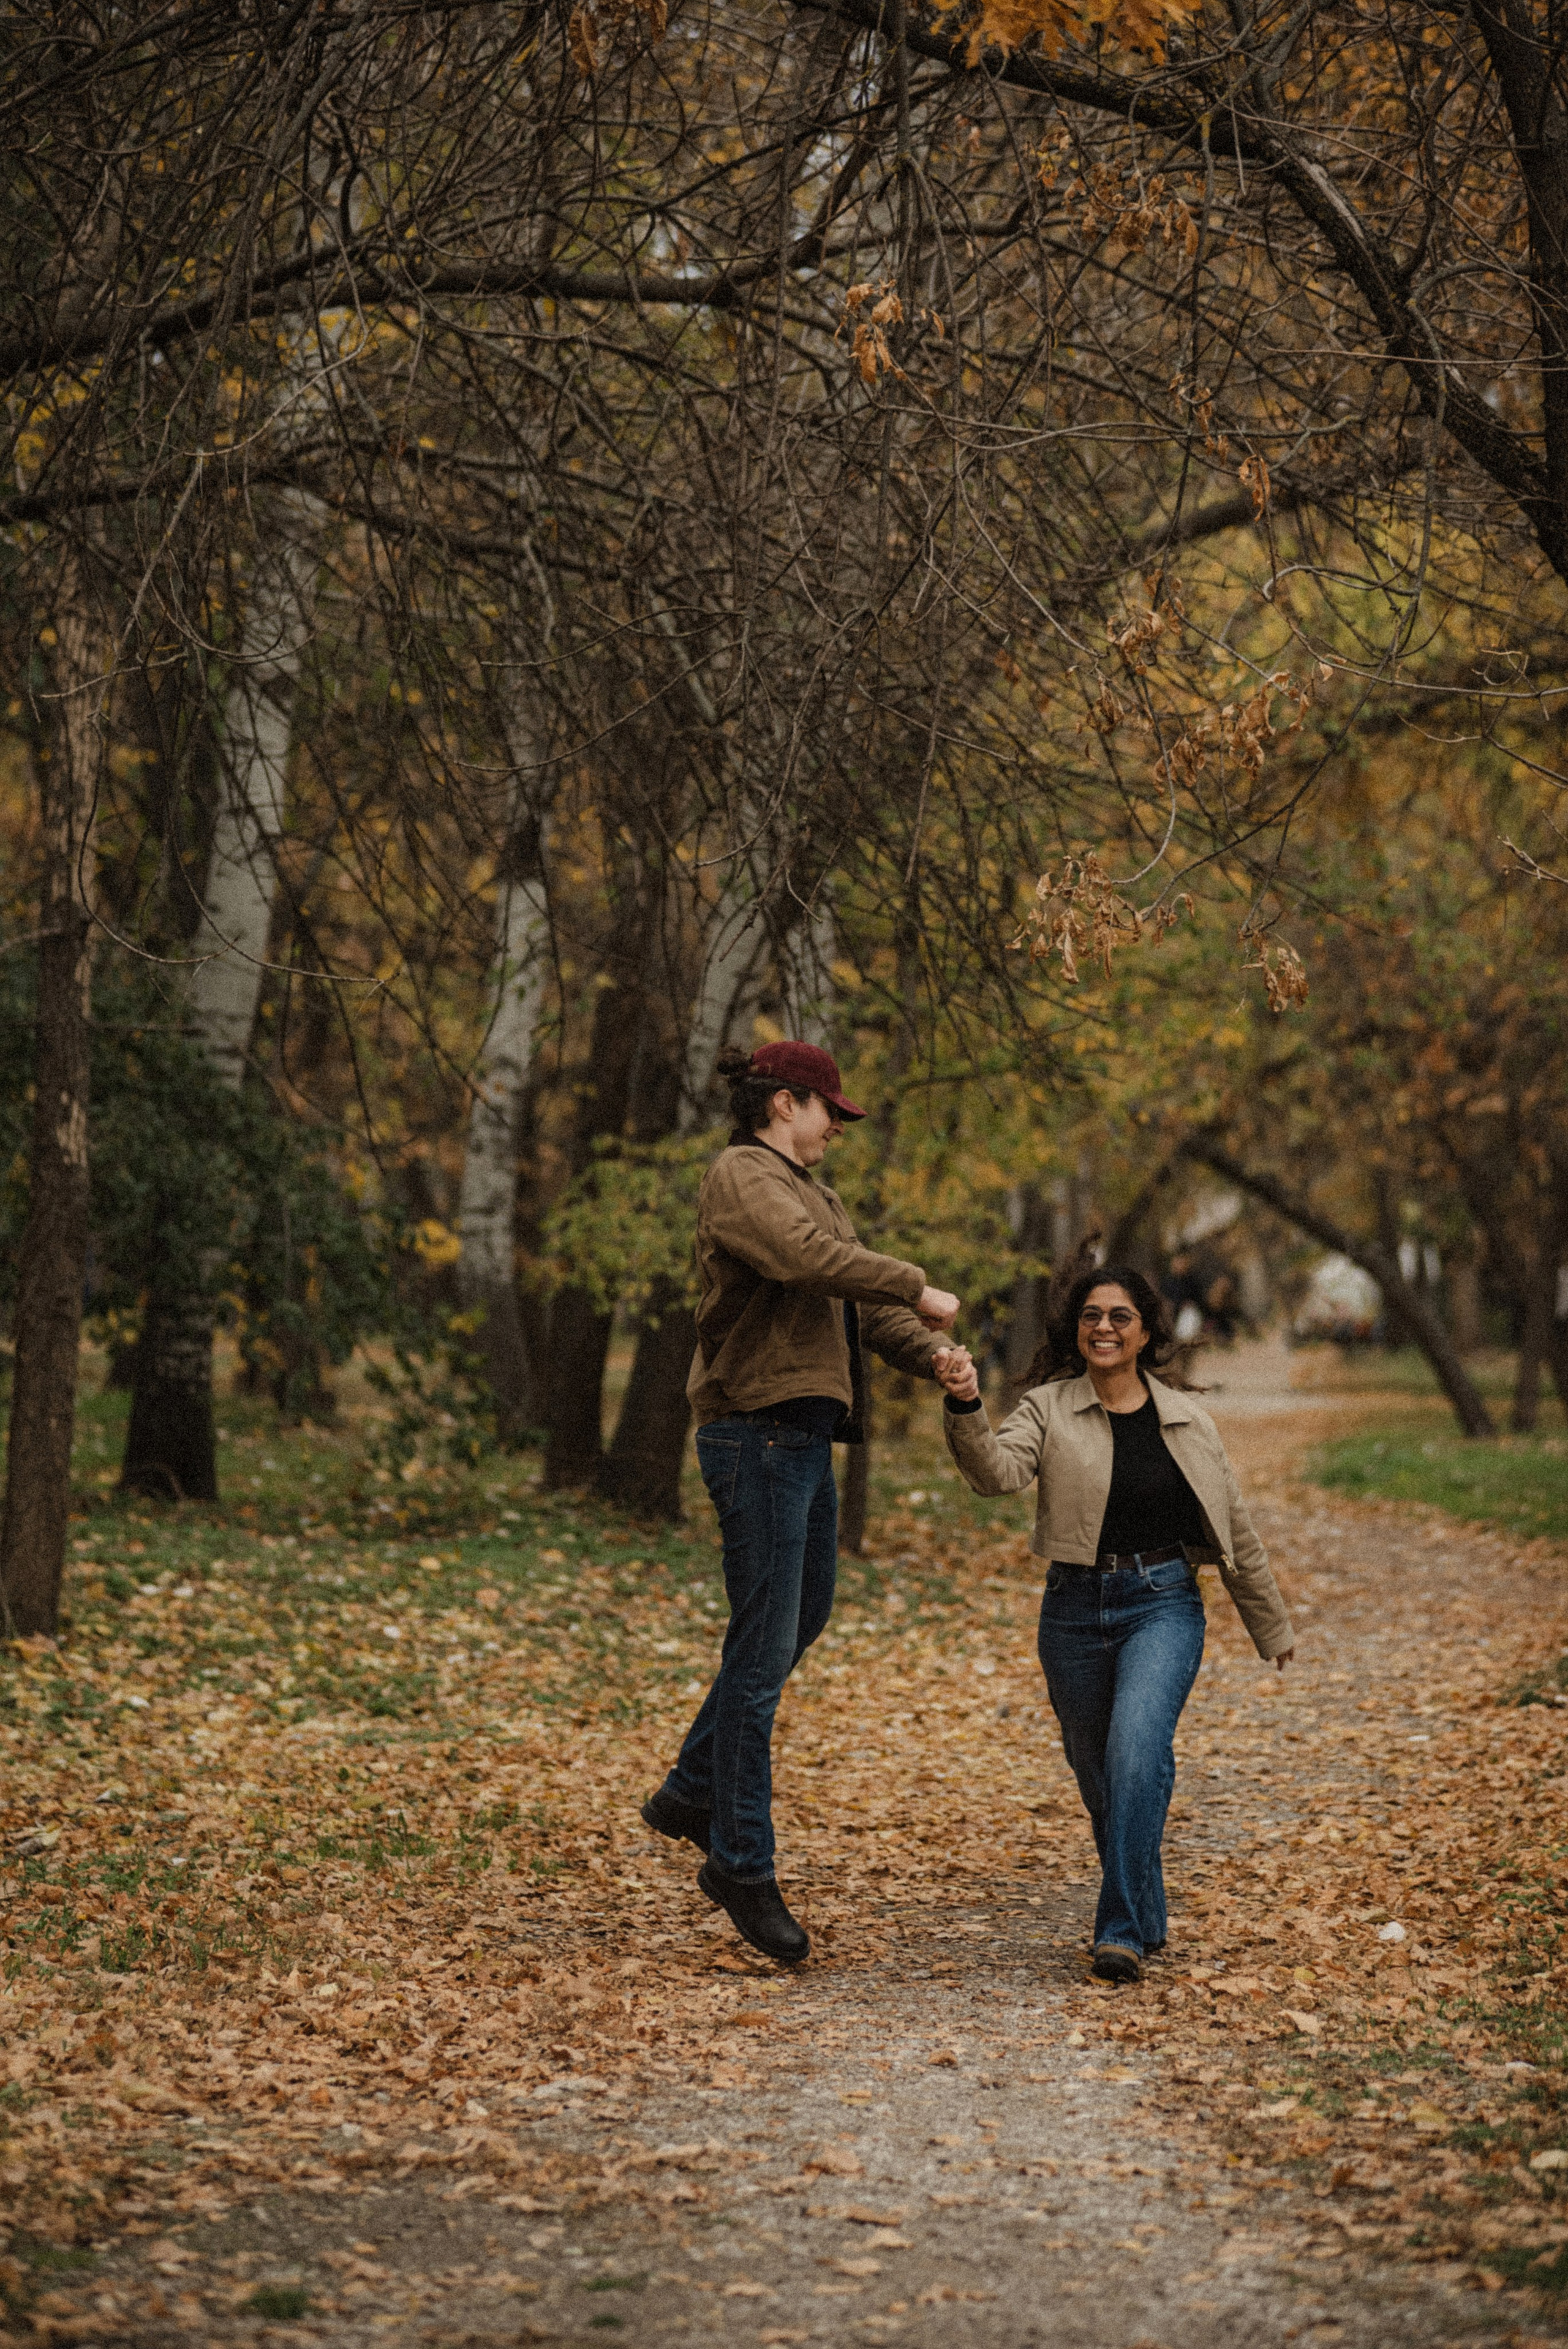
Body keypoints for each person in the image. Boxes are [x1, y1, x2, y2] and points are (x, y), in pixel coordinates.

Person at [641, 1040, 961, 1966]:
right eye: (829, 1111)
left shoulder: (809, 1191)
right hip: (757, 1433)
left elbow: (850, 1295)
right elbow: (808, 1261)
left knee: (795, 1618)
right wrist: (911, 1277)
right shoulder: (744, 1176)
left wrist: (930, 1351)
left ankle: (693, 1787)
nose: (836, 1128)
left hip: (799, 1436)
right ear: (785, 1103)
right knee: (761, 1650)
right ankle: (740, 1859)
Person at [933, 1262, 1293, 1984]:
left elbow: (1235, 1529)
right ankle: (1146, 1900)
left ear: (1147, 1331)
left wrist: (1269, 1624)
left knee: (1136, 1748)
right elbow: (995, 1474)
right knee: (1099, 1772)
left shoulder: (1189, 1421)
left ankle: (1119, 1929)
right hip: (1070, 1610)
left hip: (1162, 1602)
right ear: (1077, 1329)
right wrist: (966, 1403)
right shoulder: (1047, 1408)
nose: (1103, 1327)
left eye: (1120, 1316)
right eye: (1091, 1315)